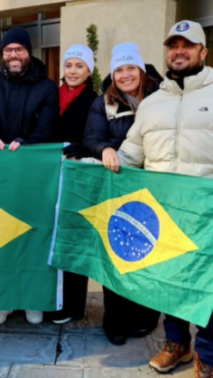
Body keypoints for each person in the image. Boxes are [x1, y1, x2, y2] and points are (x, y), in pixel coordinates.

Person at [108, 21, 213, 378]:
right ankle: (177, 345)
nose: (179, 51)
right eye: (173, 45)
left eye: (188, 44)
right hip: (162, 210)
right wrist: (97, 161)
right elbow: (130, 155)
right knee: (168, 279)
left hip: (207, 214)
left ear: (203, 52)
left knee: (203, 286)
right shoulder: (153, 103)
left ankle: (209, 357)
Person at [0, 27, 59, 326]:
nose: (14, 55)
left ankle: (32, 299)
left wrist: (27, 143)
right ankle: (4, 300)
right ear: (2, 54)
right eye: (8, 50)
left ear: (29, 52)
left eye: (19, 50)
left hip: (33, 173)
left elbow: (46, 127)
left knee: (34, 236)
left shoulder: (47, 87)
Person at [83, 42, 163, 345]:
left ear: (141, 70)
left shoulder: (162, 96)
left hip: (154, 187)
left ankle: (144, 316)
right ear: (113, 74)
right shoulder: (105, 102)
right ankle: (114, 320)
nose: (125, 74)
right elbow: (91, 136)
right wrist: (103, 148)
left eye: (131, 68)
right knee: (117, 251)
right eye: (119, 69)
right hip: (117, 188)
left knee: (149, 253)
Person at [48, 44, 99, 325]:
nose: (73, 71)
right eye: (69, 65)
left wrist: (83, 147)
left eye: (80, 66)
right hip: (50, 175)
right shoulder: (51, 96)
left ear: (89, 70)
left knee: (74, 237)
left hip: (79, 176)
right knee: (51, 236)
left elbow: (96, 135)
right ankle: (51, 298)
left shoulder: (95, 100)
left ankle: (73, 305)